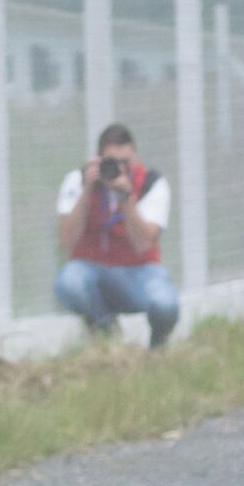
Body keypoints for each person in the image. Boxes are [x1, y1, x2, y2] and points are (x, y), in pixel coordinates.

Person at [54, 123, 178, 347]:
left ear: (135, 157)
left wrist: (126, 196)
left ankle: (158, 347)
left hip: (140, 273)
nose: (120, 169)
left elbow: (143, 243)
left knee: (166, 304)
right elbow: (66, 241)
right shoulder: (77, 180)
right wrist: (88, 190)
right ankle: (105, 330)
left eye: (126, 162)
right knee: (69, 281)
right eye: (113, 162)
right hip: (94, 271)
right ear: (99, 160)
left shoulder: (152, 183)